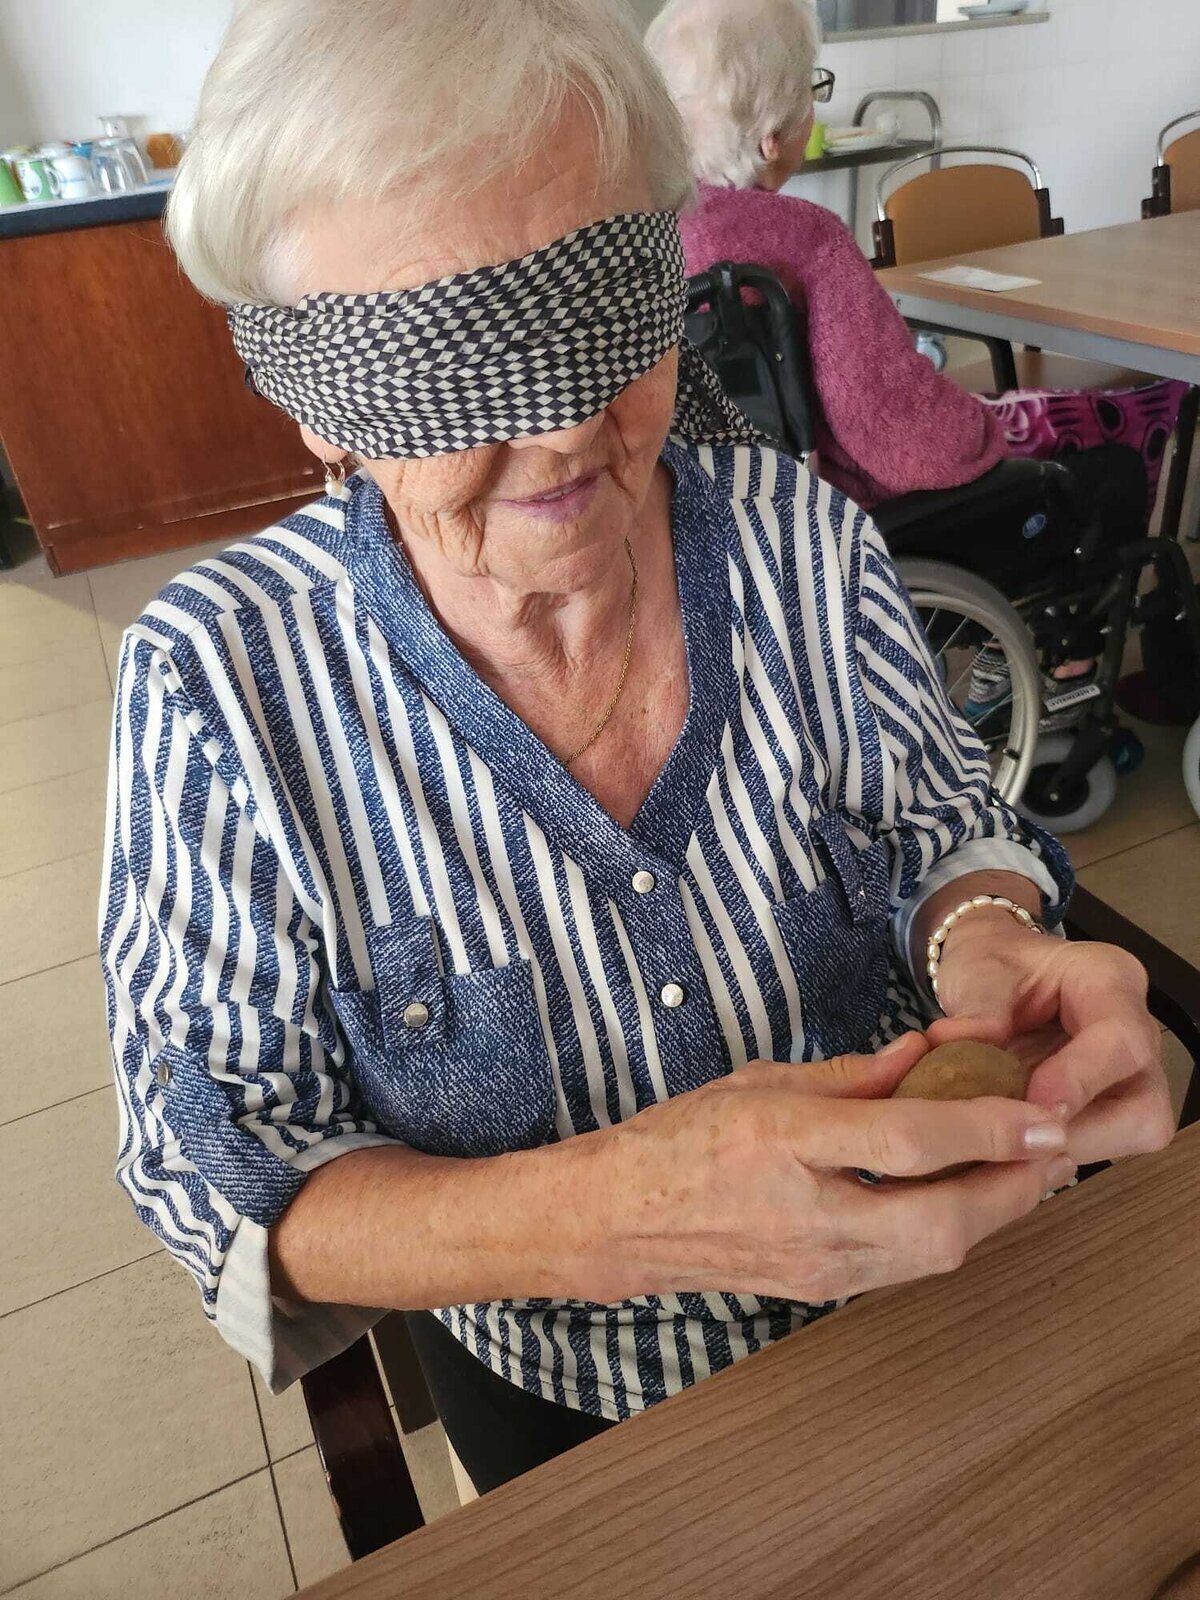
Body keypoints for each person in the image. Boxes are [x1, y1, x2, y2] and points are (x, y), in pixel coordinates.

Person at [101, 0, 1172, 1498]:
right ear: (316, 405)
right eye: (454, 368)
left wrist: (989, 939)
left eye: (601, 317)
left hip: (948, 1294)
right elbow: (212, 1158)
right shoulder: (222, 687)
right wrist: (610, 1212)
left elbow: (940, 829)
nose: (560, 429)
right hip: (588, 1421)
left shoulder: (797, 541)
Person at [646, 0, 1189, 703]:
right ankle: (1070, 672)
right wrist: (985, 425)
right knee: (1111, 453)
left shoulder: (652, 232)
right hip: (855, 519)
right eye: (812, 88)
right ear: (774, 137)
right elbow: (905, 438)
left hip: (733, 525)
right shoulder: (805, 239)